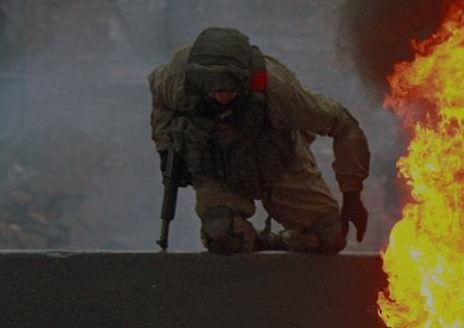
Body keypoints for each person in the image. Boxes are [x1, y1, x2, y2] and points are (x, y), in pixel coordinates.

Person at [149, 27, 370, 254]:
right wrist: (165, 150)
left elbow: (343, 124)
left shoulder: (276, 88)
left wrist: (351, 194)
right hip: (217, 168)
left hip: (278, 160)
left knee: (329, 237)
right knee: (223, 236)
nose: (221, 98)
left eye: (229, 90)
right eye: (214, 91)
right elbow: (160, 103)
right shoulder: (177, 78)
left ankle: (279, 242)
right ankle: (248, 241)